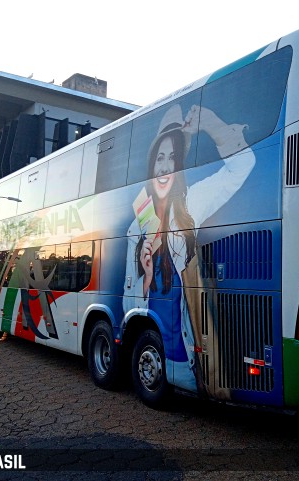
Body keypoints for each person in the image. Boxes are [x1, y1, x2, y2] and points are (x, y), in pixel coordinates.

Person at [124, 103, 255, 392]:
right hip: (157, 350)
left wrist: (212, 124)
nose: (166, 166)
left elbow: (241, 166)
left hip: (189, 356)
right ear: (151, 164)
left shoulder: (190, 203)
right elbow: (127, 305)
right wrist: (145, 278)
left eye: (173, 157)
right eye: (160, 158)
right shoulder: (137, 226)